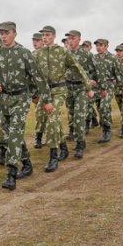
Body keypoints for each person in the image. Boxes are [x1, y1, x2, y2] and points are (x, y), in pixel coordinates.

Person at [0, 21, 53, 189]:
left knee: (15, 132)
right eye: (1, 33)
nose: (3, 36)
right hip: (4, 100)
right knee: (8, 136)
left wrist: (46, 100)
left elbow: (38, 77)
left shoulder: (24, 53)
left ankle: (11, 173)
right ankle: (27, 163)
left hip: (21, 98)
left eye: (6, 33)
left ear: (14, 33)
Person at [35, 26, 93, 171]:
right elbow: (31, 74)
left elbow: (78, 68)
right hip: (45, 92)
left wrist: (88, 87)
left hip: (59, 90)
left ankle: (54, 155)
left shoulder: (62, 52)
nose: (44, 38)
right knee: (41, 117)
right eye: (43, 36)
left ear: (54, 36)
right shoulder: (38, 54)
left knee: (53, 118)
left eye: (47, 35)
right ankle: (63, 146)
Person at [65, 29, 98, 158]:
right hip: (69, 88)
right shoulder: (65, 54)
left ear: (79, 39)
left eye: (73, 38)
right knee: (72, 115)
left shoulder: (86, 55)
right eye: (69, 39)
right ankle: (74, 134)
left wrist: (92, 83)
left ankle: (80, 144)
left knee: (79, 117)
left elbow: (94, 71)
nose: (70, 41)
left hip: (81, 89)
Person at [93, 39, 123, 143]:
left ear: (106, 46)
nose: (98, 47)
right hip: (97, 87)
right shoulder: (94, 58)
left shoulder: (112, 58)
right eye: (97, 45)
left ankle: (107, 131)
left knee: (103, 107)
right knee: (100, 108)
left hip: (108, 86)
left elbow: (118, 74)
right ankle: (105, 125)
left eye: (101, 45)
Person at [31, 32, 47, 149]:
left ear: (42, 41)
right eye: (34, 40)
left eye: (37, 40)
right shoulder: (31, 55)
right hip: (37, 92)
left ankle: (52, 138)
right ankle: (38, 137)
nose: (35, 43)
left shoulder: (47, 55)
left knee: (49, 115)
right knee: (39, 115)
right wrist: (33, 94)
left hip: (48, 90)